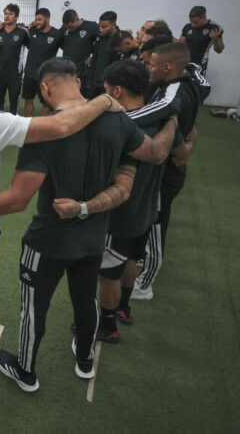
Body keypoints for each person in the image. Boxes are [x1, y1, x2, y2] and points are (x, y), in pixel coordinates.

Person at [0, 57, 177, 392]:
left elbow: (17, 200)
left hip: (46, 243)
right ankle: (85, 360)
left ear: (44, 88)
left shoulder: (42, 132)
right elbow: (157, 152)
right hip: (93, 239)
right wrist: (174, 116)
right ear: (77, 81)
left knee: (33, 310)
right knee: (86, 300)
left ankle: (26, 371)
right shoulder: (119, 122)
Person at [96, 60, 183, 343]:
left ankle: (107, 326)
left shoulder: (118, 127)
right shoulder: (164, 121)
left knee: (108, 275)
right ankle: (123, 308)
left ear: (117, 91)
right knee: (133, 258)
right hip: (148, 209)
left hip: (120, 215)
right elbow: (182, 155)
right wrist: (173, 122)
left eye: (107, 90)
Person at [132, 43, 210, 300]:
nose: (148, 69)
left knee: (156, 222)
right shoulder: (183, 82)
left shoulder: (175, 88)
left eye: (152, 65)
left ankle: (144, 285)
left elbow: (162, 108)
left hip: (167, 173)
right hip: (165, 166)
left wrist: (118, 120)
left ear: (167, 67)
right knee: (148, 220)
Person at [180, 6, 224, 116]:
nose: (193, 25)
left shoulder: (214, 27)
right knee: (181, 87)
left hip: (199, 65)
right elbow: (180, 45)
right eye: (191, 22)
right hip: (184, 63)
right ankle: (180, 110)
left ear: (204, 17)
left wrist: (216, 39)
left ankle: (191, 114)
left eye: (196, 22)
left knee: (195, 90)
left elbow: (219, 50)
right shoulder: (187, 27)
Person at [22, 8, 62, 116]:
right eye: (36, 19)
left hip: (46, 76)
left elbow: (69, 47)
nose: (37, 22)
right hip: (30, 74)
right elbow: (19, 29)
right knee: (28, 100)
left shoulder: (57, 34)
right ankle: (28, 125)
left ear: (47, 19)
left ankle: (42, 127)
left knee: (46, 103)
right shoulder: (32, 30)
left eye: (39, 19)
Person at [0, 3, 29, 114]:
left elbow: (32, 47)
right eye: (5, 13)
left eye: (10, 14)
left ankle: (14, 128)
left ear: (16, 17)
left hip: (15, 76)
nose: (7, 16)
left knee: (14, 107)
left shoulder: (22, 32)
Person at [61, 9, 100, 91]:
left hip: (82, 72)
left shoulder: (91, 26)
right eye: (66, 28)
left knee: (82, 100)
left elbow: (103, 42)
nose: (69, 30)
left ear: (76, 20)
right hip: (66, 71)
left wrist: (93, 56)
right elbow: (55, 37)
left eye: (71, 27)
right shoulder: (64, 28)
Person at [85, 11, 120, 98]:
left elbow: (116, 66)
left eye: (104, 27)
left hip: (107, 86)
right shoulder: (99, 37)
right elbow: (94, 59)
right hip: (93, 84)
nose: (100, 29)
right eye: (99, 26)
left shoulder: (119, 40)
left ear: (113, 25)